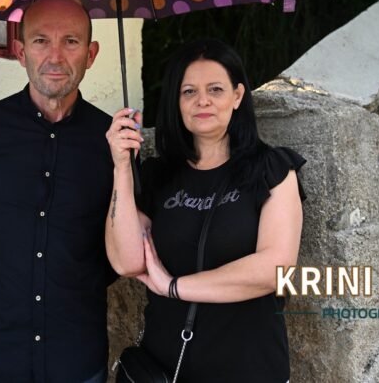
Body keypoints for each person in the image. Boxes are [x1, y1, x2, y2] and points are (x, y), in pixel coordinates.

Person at [0, 0, 115, 383]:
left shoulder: (113, 142)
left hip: (77, 361)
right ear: (20, 52)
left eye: (71, 41)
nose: (55, 56)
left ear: (91, 54)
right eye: (40, 41)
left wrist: (72, 287)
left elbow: (122, 247)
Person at [105, 38, 305, 382]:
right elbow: (126, 261)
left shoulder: (271, 170)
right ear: (177, 101)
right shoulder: (159, 176)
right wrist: (122, 168)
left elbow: (274, 269)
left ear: (237, 96)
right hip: (165, 370)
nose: (203, 100)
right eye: (189, 92)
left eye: (215, 89)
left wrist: (174, 286)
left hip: (251, 370)